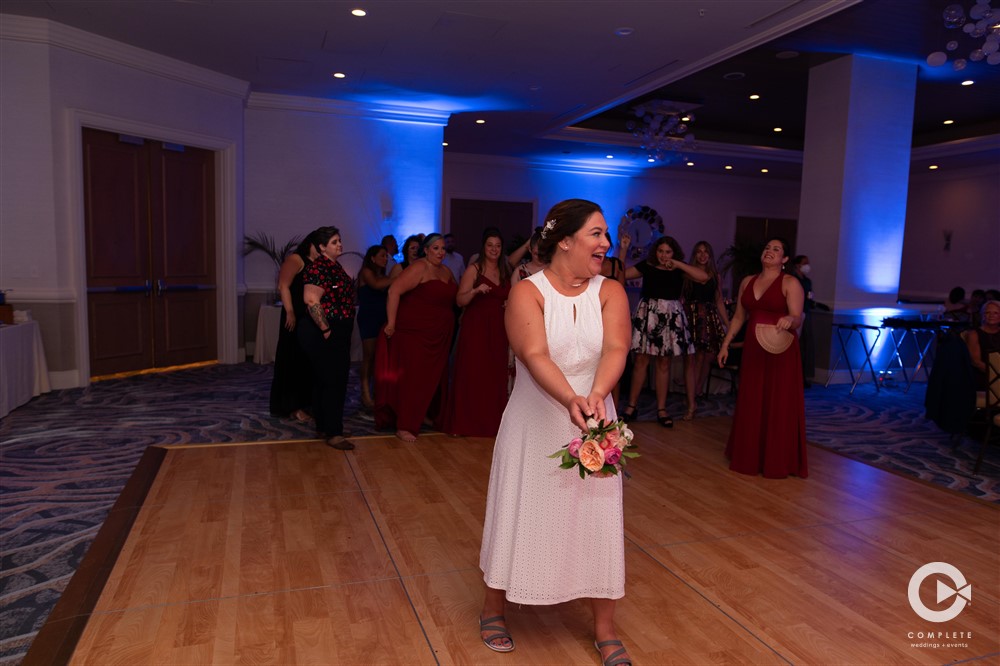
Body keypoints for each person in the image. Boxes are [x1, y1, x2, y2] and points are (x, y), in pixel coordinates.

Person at [479, 199, 631, 665]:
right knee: (521, 508)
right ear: (564, 239)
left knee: (598, 517)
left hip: (594, 422)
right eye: (597, 234)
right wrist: (570, 399)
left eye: (605, 235)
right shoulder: (528, 292)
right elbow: (535, 353)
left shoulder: (611, 292)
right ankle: (493, 609)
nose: (606, 244)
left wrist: (596, 397)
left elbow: (617, 346)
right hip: (535, 420)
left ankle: (604, 627)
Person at [717, 237, 808, 478]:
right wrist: (726, 344)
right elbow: (739, 316)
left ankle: (777, 460)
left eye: (776, 249)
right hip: (754, 350)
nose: (769, 251)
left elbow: (797, 316)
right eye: (767, 247)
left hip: (781, 351)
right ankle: (750, 456)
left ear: (785, 259)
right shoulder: (748, 281)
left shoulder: (790, 283)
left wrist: (790, 319)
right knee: (753, 399)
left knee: (777, 402)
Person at [618, 235, 708, 427]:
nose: (663, 255)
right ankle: (631, 407)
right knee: (641, 360)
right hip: (648, 313)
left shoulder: (678, 268)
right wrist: (624, 249)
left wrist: (677, 264)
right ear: (655, 252)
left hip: (670, 315)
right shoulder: (647, 265)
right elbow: (621, 275)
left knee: (664, 362)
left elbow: (703, 277)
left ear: (673, 253)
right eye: (660, 251)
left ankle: (661, 409)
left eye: (668, 252)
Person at [376, 233, 458, 441]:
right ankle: (404, 424)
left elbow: (456, 298)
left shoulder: (446, 271)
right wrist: (391, 323)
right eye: (435, 248)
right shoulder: (419, 268)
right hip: (415, 333)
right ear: (426, 250)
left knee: (434, 377)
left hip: (439, 335)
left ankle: (424, 414)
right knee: (414, 378)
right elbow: (394, 291)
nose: (440, 252)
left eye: (442, 249)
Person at [443, 228, 512, 436]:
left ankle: (490, 425)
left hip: (499, 329)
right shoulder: (475, 269)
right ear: (484, 247)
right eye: (490, 245)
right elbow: (459, 299)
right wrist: (474, 291)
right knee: (472, 373)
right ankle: (465, 424)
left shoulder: (505, 270)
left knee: (493, 375)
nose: (494, 249)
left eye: (498, 246)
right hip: (476, 328)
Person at [299, 226, 357, 451]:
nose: (339, 244)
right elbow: (311, 300)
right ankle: (333, 432)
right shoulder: (320, 267)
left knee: (326, 380)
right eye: (334, 242)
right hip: (327, 330)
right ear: (322, 247)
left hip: (336, 329)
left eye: (339, 240)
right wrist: (325, 329)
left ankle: (327, 426)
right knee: (333, 381)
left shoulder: (334, 266)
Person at [269, 233, 320, 421]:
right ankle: (292, 406)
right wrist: (289, 311)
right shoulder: (296, 259)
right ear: (310, 244)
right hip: (294, 316)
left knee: (306, 362)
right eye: (320, 245)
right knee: (292, 360)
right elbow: (283, 286)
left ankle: (306, 403)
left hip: (308, 318)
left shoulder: (317, 264)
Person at [681, 241, 729, 419]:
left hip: (707, 317)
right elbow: (681, 299)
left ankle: (696, 392)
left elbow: (718, 301)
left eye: (706, 252)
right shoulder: (687, 274)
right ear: (695, 254)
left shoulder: (715, 275)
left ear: (710, 255)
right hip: (690, 317)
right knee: (690, 359)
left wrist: (729, 325)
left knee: (703, 356)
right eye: (699, 252)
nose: (702, 255)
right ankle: (691, 402)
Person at [356, 244, 394, 409]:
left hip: (383, 318)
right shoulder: (366, 272)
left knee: (381, 356)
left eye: (386, 256)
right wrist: (400, 276)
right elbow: (377, 285)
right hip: (369, 318)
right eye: (382, 256)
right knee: (369, 356)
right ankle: (365, 392)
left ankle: (379, 391)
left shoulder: (384, 275)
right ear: (372, 258)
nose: (385, 259)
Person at [790, 254, 815, 387]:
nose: (807, 266)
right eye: (805, 263)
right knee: (794, 343)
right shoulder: (792, 280)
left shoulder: (807, 281)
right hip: (795, 314)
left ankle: (802, 376)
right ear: (797, 265)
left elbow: (809, 296)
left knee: (805, 345)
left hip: (806, 312)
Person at [966, 300, 1000, 390]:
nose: (991, 315)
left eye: (995, 313)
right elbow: (976, 362)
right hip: (982, 376)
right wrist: (996, 374)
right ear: (983, 315)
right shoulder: (974, 334)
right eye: (988, 312)